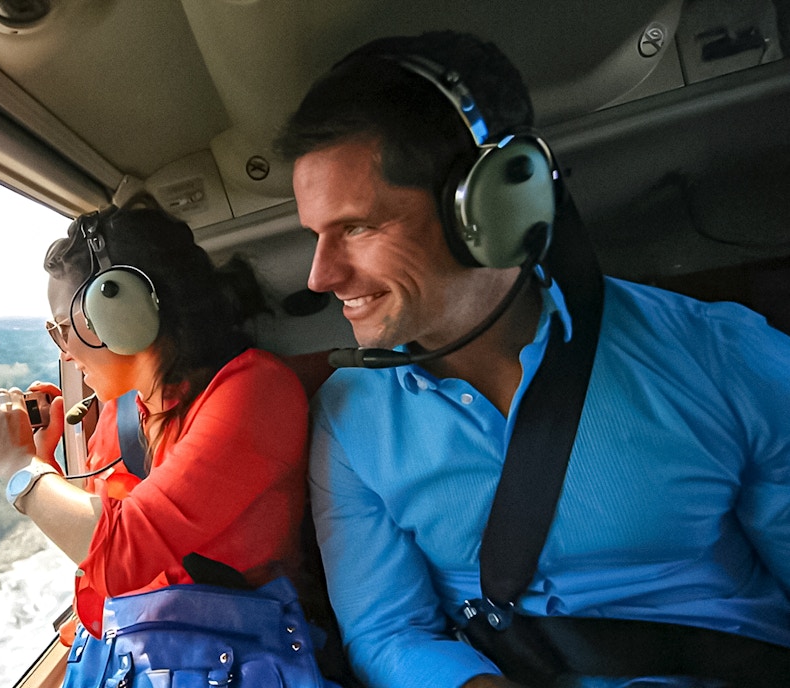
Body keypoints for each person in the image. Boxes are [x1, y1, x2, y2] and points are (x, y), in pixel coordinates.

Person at [275, 30, 790, 688]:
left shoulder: (727, 359)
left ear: (493, 203)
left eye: (357, 227)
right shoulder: (348, 417)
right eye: (314, 235)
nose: (321, 276)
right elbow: (387, 630)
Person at [0, 204, 311, 657]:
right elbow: (103, 533)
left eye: (64, 329)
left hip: (227, 659)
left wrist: (17, 466)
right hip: (149, 649)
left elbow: (120, 554)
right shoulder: (127, 408)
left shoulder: (254, 392)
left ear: (121, 308)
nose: (65, 353)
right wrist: (42, 462)